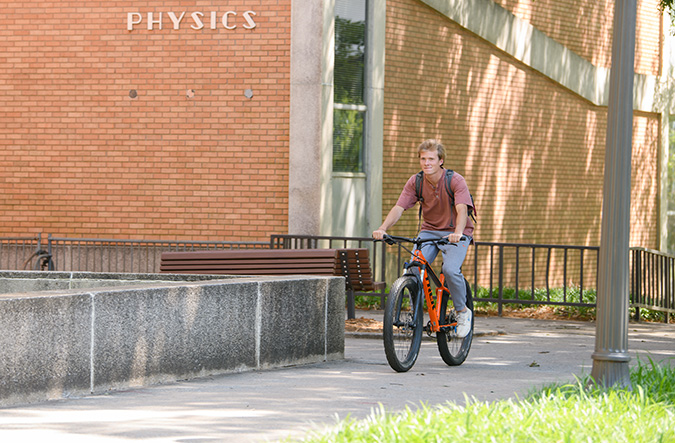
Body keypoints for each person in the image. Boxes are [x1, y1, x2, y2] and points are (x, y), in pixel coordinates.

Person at [372, 139, 475, 337]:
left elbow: (462, 209)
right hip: (429, 231)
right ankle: (415, 312)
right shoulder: (416, 181)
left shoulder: (455, 180)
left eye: (431, 159)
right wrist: (383, 228)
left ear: (440, 161)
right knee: (413, 267)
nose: (426, 163)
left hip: (456, 232)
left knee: (450, 270)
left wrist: (458, 233)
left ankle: (462, 312)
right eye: (423, 159)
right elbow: (399, 207)